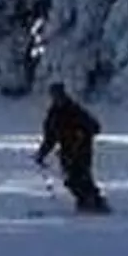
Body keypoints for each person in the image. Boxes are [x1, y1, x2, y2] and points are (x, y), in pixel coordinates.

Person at [35, 82, 110, 214]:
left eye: (59, 95)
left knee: (82, 177)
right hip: (66, 151)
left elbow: (94, 127)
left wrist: (81, 135)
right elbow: (50, 138)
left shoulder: (75, 110)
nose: (57, 98)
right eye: (54, 95)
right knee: (71, 180)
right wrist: (42, 154)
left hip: (82, 150)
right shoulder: (53, 114)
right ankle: (85, 202)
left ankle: (95, 202)